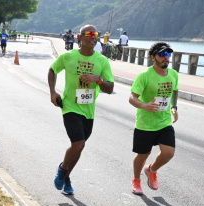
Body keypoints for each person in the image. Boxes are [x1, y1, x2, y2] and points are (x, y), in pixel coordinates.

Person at [48, 24, 114, 195]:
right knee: (79, 144)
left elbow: (110, 88)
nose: (94, 37)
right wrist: (53, 91)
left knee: (78, 147)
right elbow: (52, 70)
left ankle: (67, 178)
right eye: (89, 34)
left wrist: (97, 79)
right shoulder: (68, 56)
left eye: (96, 35)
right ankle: (62, 169)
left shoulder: (102, 61)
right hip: (70, 106)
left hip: (89, 111)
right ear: (80, 37)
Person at [129, 42, 178, 195]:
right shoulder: (144, 76)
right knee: (143, 154)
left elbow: (175, 91)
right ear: (153, 57)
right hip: (145, 124)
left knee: (168, 153)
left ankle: (151, 170)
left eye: (168, 54)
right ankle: (136, 179)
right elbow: (132, 98)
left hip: (164, 121)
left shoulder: (173, 74)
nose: (166, 58)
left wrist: (174, 107)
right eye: (162, 54)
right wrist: (144, 106)